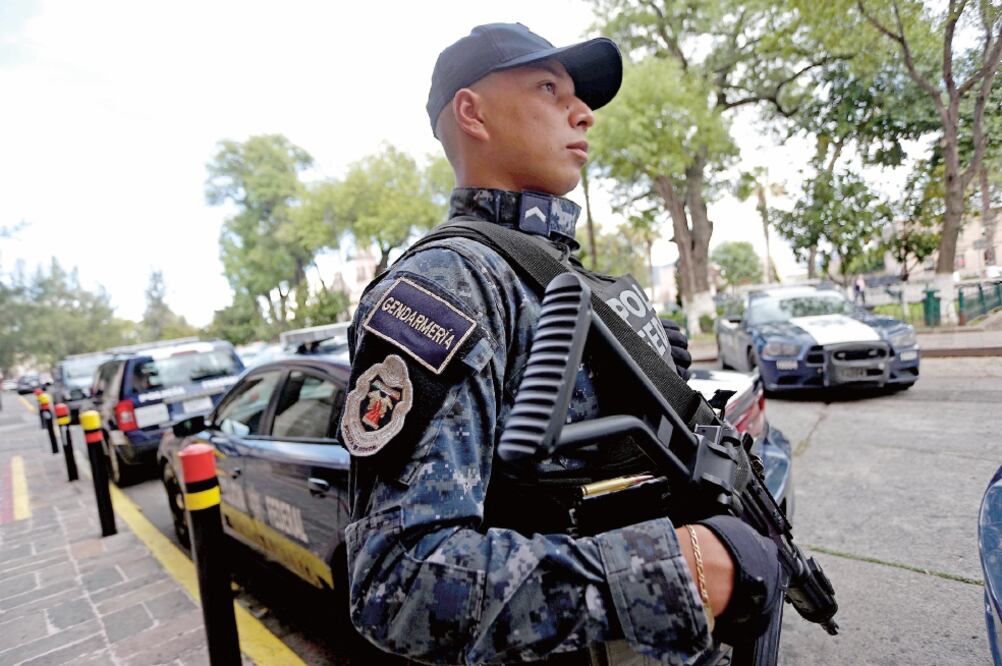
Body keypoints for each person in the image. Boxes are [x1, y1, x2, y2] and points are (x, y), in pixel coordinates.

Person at [340, 23, 782, 665]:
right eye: (550, 88)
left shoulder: (553, 274)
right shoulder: (448, 283)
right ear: (472, 112)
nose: (583, 114)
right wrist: (677, 574)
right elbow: (398, 580)